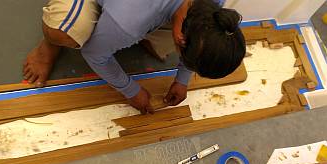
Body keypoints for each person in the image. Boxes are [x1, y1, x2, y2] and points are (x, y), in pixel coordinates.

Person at [23, 0, 246, 114]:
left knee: (130, 32)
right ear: (180, 37)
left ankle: (125, 30)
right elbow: (94, 55)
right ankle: (49, 45)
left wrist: (182, 79)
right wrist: (131, 90)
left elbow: (203, 32)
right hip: (131, 11)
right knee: (66, 31)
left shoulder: (214, 7)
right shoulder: (130, 20)